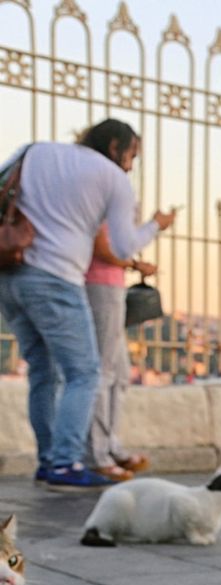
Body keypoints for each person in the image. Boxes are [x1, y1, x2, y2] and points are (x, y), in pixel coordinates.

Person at [0, 120, 173, 491]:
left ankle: (49, 461)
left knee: (42, 372)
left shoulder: (36, 150)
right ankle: (64, 462)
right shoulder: (112, 178)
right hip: (56, 277)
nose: (131, 165)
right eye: (132, 156)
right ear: (115, 146)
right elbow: (125, 247)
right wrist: (156, 226)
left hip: (10, 273)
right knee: (85, 373)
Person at [84, 220, 157, 482]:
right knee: (102, 373)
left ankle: (109, 445)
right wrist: (155, 226)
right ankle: (97, 454)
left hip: (111, 284)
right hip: (98, 283)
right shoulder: (102, 187)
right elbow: (103, 246)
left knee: (119, 374)